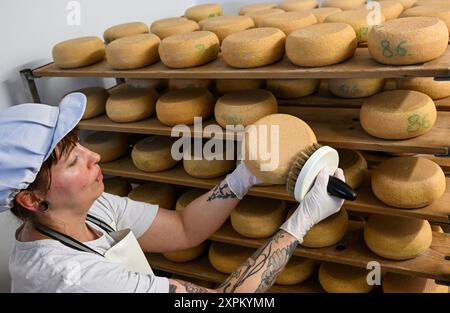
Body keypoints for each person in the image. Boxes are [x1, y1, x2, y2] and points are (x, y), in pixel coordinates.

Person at [0, 93, 345, 293]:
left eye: (82, 147)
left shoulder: (89, 208)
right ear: (31, 198)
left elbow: (184, 228)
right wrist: (301, 222)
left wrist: (244, 176)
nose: (96, 156)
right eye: (75, 161)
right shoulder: (72, 278)